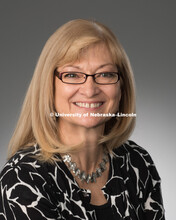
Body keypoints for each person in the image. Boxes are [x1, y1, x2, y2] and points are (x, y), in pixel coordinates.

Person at [0, 19, 165, 220]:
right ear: (48, 86)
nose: (90, 90)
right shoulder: (23, 178)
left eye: (105, 74)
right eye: (72, 75)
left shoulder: (138, 163)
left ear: (122, 87)